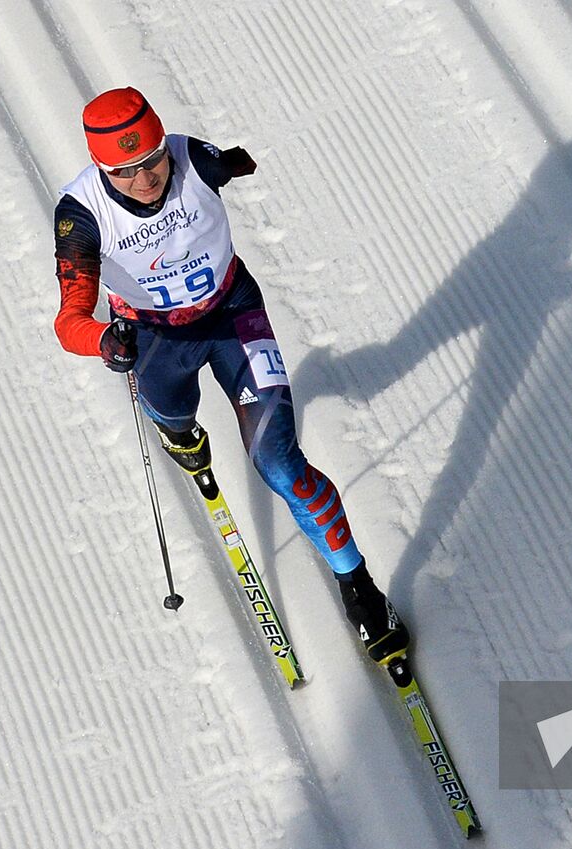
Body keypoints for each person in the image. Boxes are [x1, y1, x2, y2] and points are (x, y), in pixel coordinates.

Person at [51, 86, 408, 666]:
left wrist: (236, 163)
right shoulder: (81, 215)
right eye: (126, 172)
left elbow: (234, 159)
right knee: (173, 412)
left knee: (280, 462)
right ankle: (180, 435)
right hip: (155, 339)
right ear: (100, 167)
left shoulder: (192, 155)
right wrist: (102, 341)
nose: (145, 181)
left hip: (233, 312)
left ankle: (360, 589)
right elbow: (69, 319)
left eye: (153, 161)